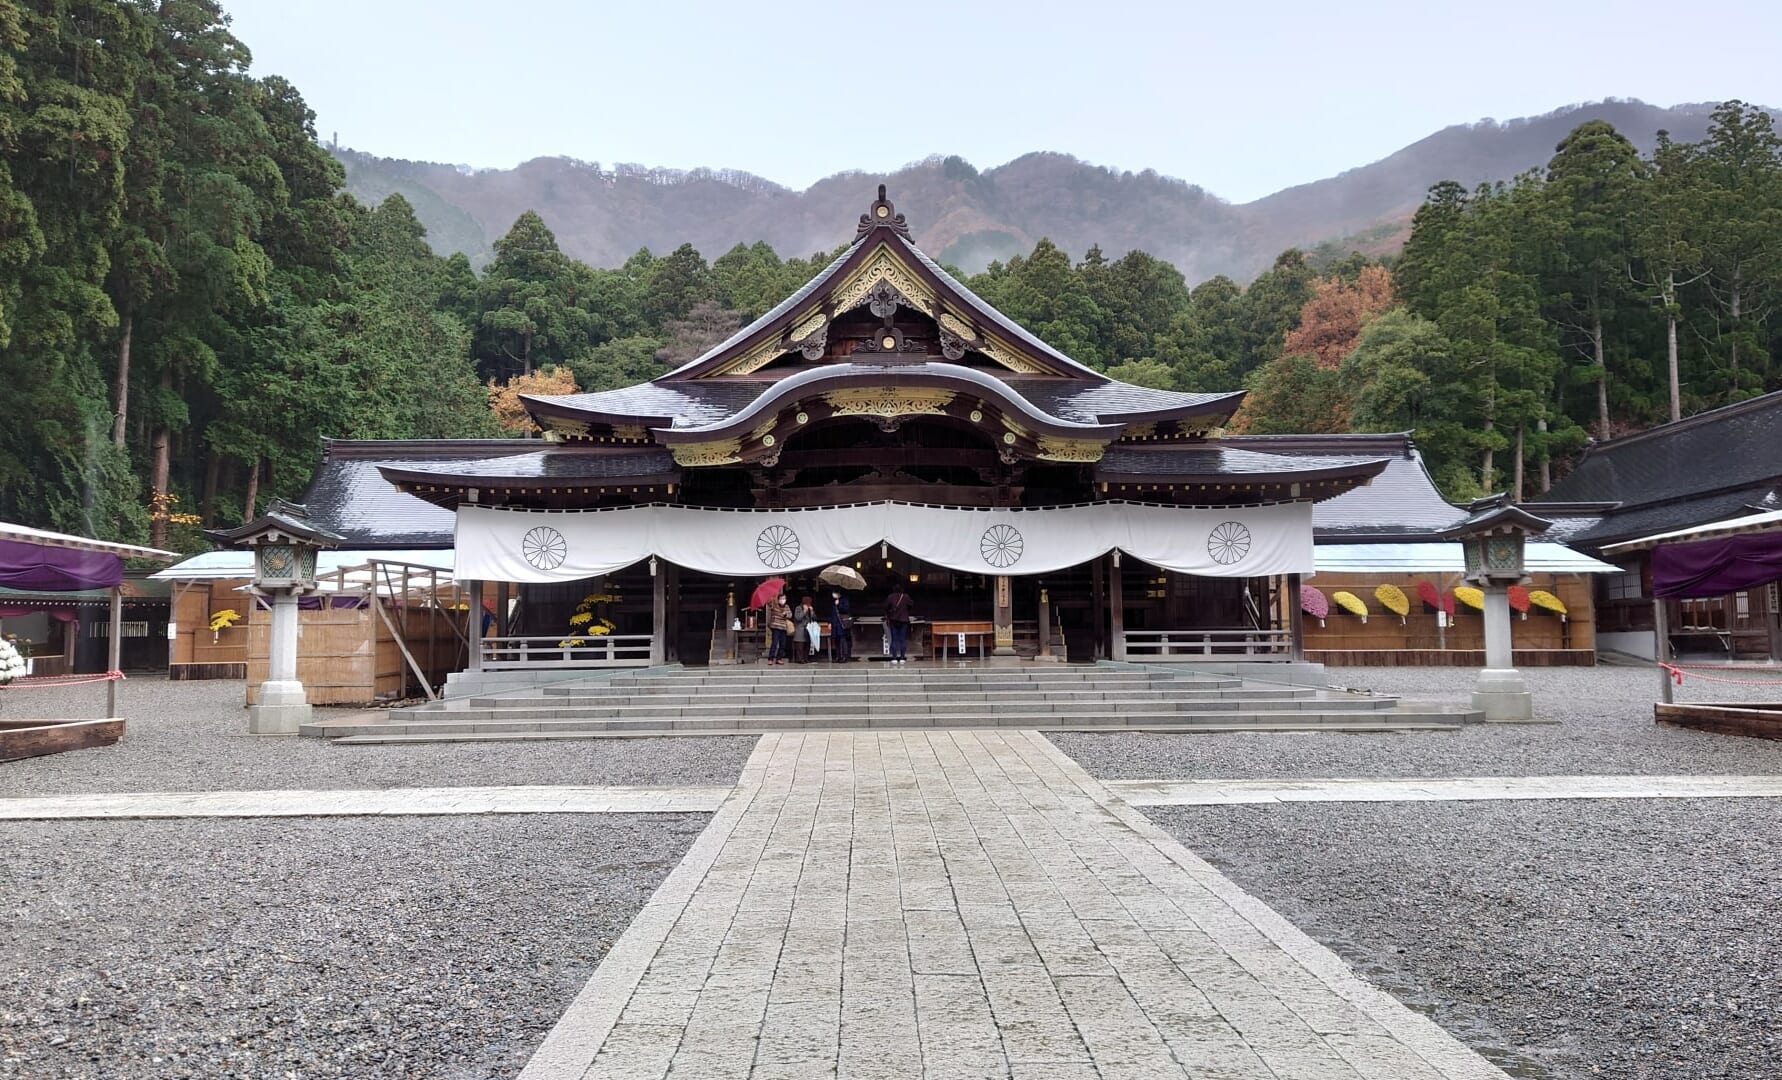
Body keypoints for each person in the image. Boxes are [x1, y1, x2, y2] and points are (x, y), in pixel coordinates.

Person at [885, 584, 913, 664]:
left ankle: (894, 658)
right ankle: (902, 658)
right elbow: (911, 605)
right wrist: (906, 611)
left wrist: (889, 613)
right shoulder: (906, 597)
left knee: (894, 639)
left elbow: (886, 607)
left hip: (893, 620)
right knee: (903, 639)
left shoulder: (890, 597)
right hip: (904, 619)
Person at [766, 593, 793, 665]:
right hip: (775, 627)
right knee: (774, 643)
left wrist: (785, 614)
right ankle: (770, 658)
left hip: (783, 627)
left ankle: (779, 658)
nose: (783, 600)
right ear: (778, 600)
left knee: (783, 644)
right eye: (781, 599)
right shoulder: (774, 605)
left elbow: (790, 615)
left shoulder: (786, 607)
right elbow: (768, 604)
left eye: (784, 598)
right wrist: (771, 599)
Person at [828, 590, 853, 663]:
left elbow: (846, 609)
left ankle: (844, 656)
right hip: (835, 623)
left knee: (843, 640)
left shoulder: (844, 600)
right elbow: (831, 612)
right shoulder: (833, 601)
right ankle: (837, 656)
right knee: (837, 640)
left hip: (842, 623)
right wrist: (830, 622)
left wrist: (838, 605)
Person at [792, 596, 815, 664]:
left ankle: (806, 658)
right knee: (800, 646)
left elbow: (814, 618)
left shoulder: (810, 609)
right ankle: (800, 659)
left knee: (807, 646)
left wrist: (812, 611)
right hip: (800, 629)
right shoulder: (798, 608)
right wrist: (804, 611)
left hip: (808, 629)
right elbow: (798, 618)